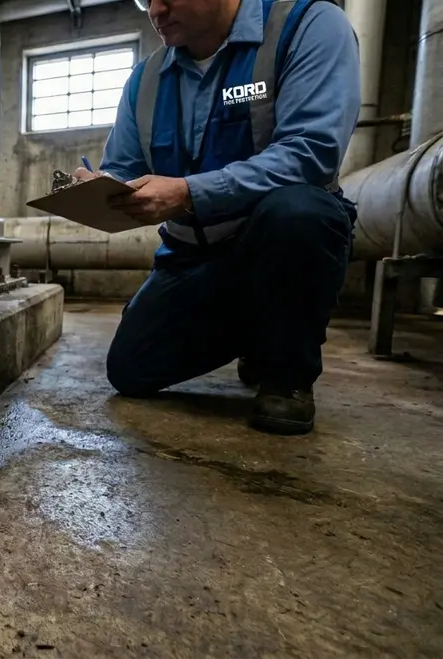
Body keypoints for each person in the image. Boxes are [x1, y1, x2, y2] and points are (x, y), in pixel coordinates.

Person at [74, 0, 360, 435]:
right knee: (131, 371)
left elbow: (311, 152)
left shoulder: (308, 25)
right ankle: (262, 329)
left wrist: (189, 193)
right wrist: (102, 187)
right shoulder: (146, 79)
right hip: (192, 257)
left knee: (299, 213)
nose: (156, 9)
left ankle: (286, 377)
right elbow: (125, 167)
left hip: (279, 242)